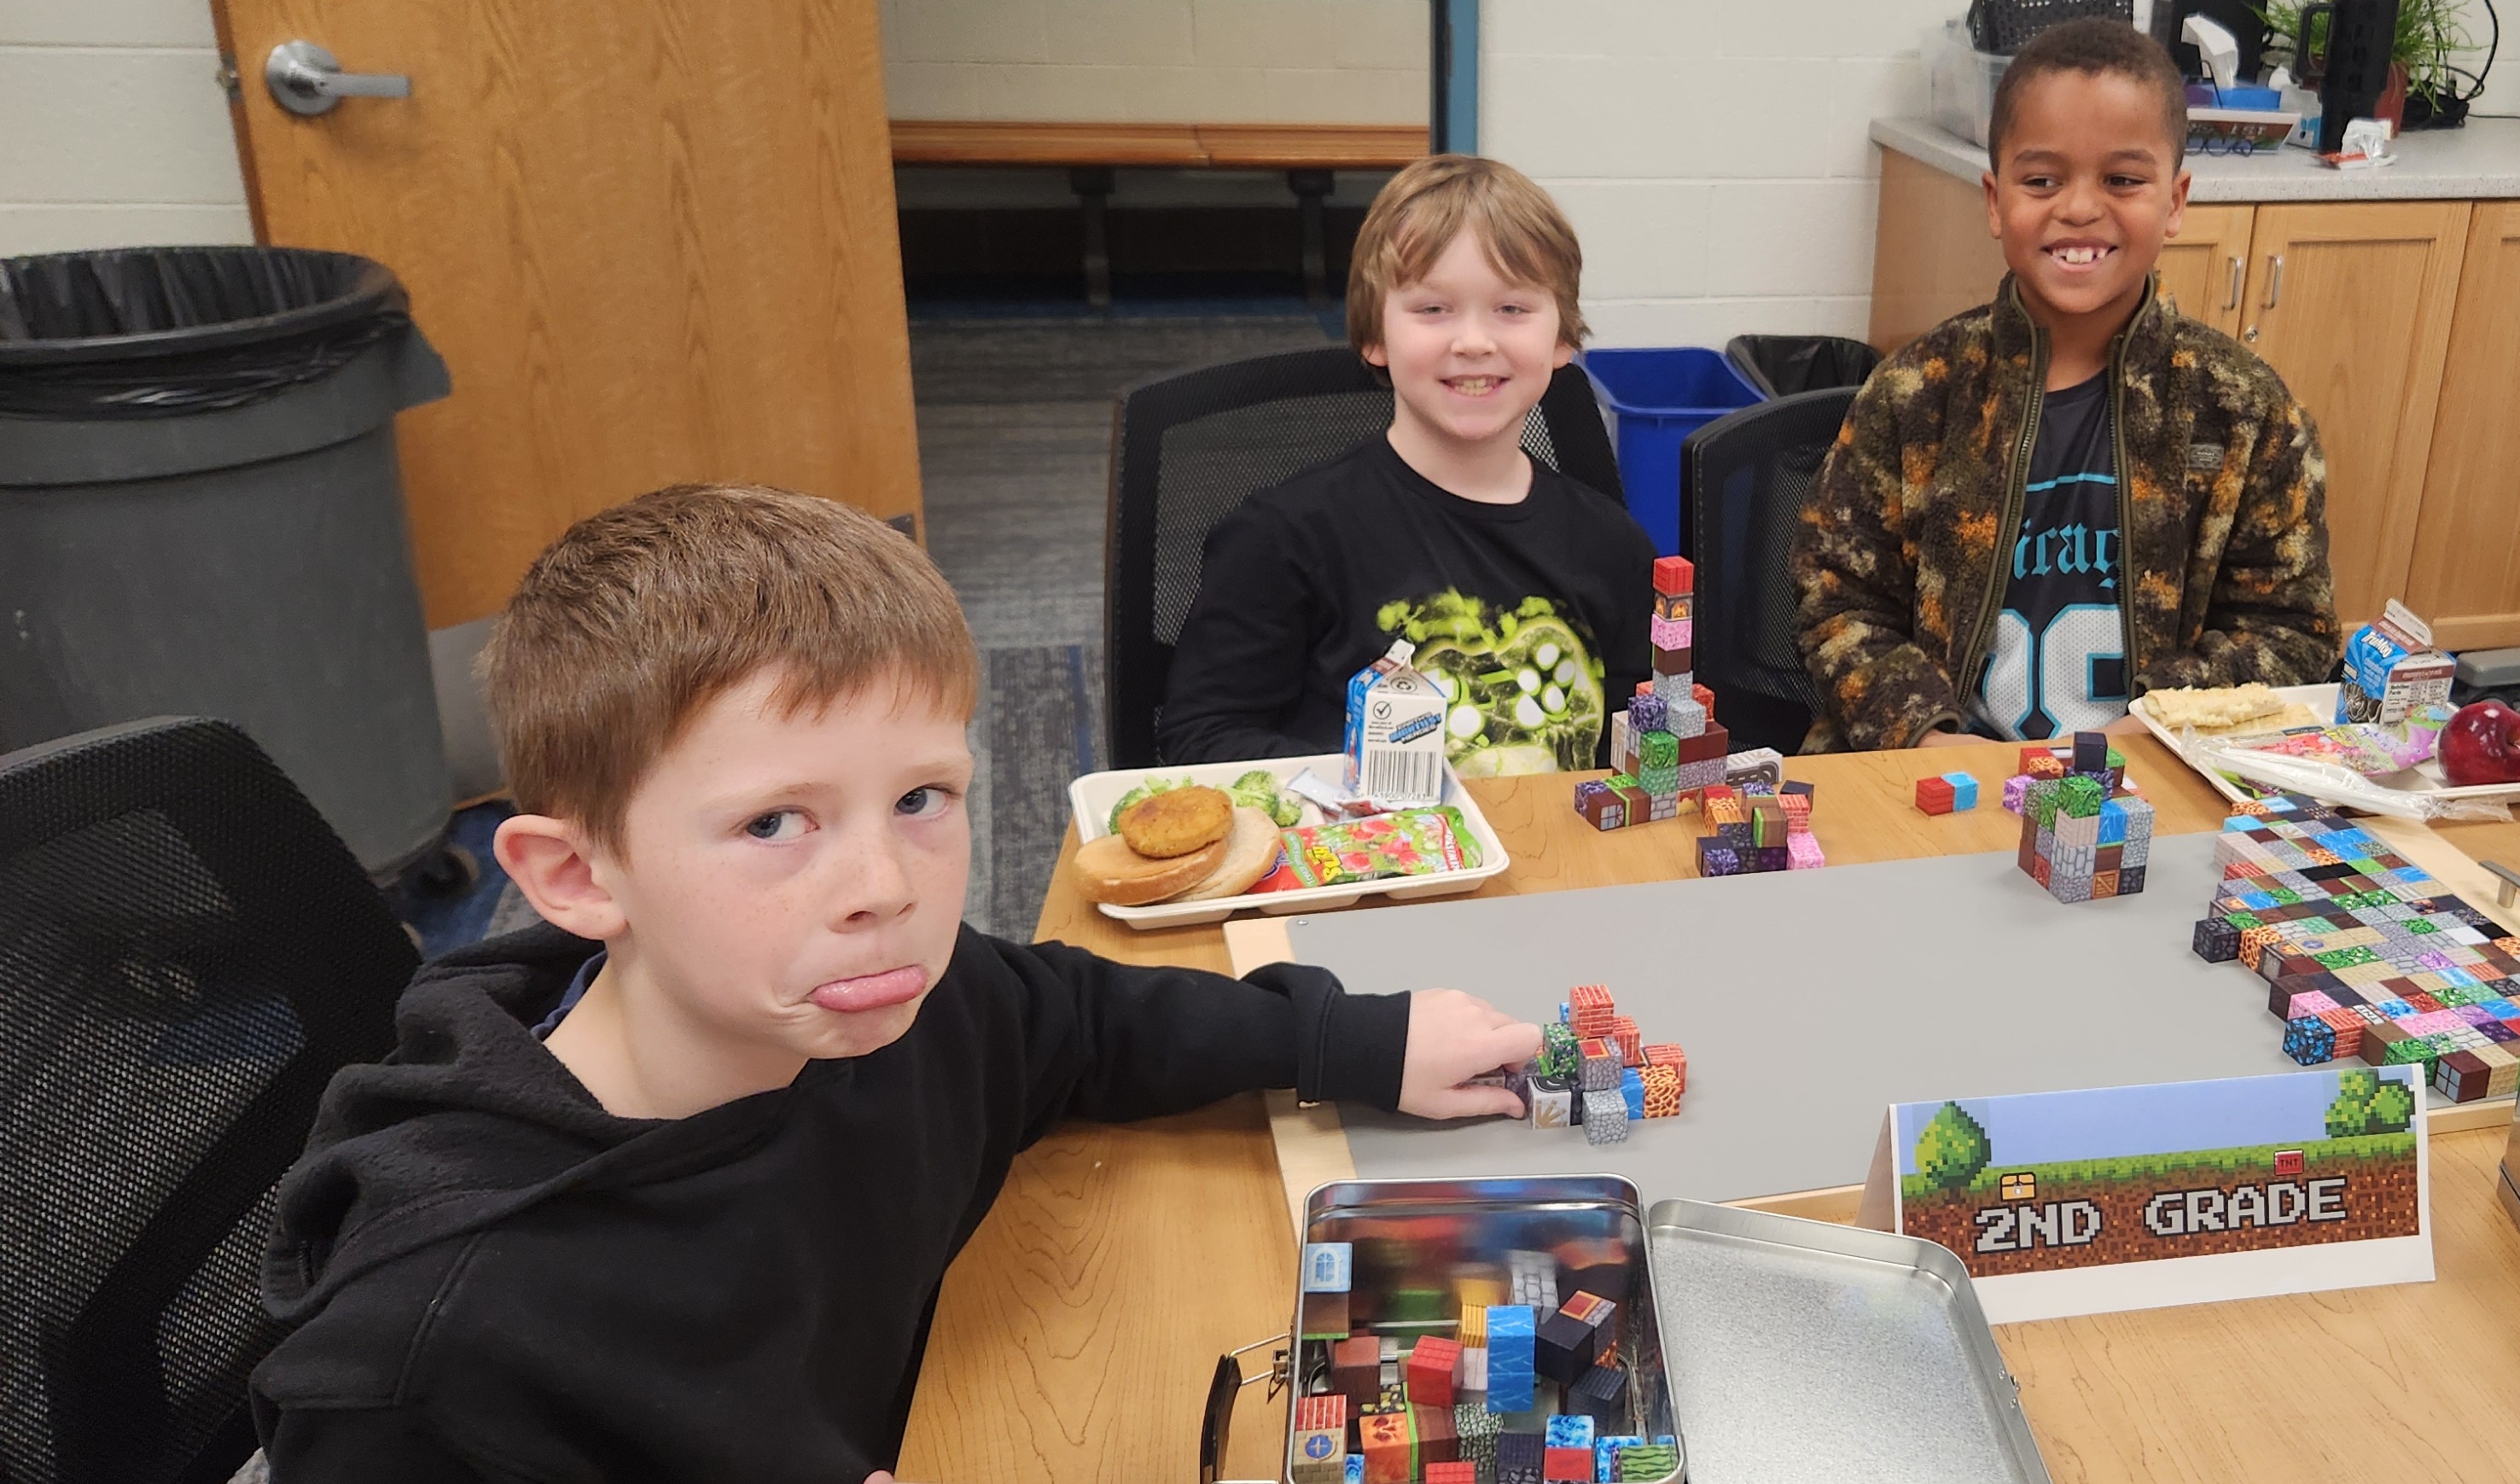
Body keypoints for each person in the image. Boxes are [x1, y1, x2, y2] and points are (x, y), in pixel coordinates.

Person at [248, 486, 1545, 1480]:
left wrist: (1353, 1038)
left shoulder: (882, 1005)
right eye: (774, 823)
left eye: (923, 796)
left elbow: (1074, 1017)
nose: (886, 884)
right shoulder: (434, 1341)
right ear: (579, 877)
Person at [1790, 17, 2336, 752]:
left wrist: (2151, 730)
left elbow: (2291, 629)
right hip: (1939, 778)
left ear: (2174, 202)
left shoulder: (2244, 412)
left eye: (2122, 179)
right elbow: (1836, 599)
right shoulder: (1916, 394)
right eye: (2043, 180)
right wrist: (1928, 733)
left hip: (2152, 774)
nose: (2079, 207)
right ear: (1994, 199)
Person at [1159, 154, 1654, 777]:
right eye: (1433, 309)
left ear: (1561, 340)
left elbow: (1642, 740)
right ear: (1374, 335)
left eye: (1512, 309)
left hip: (1557, 866)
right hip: (1367, 862)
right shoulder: (1283, 536)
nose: (1473, 341)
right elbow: (1202, 737)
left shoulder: (1613, 545)